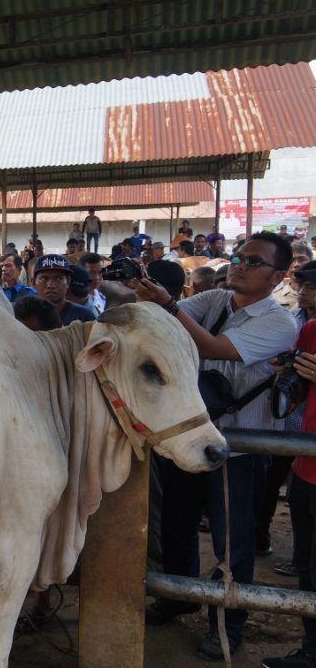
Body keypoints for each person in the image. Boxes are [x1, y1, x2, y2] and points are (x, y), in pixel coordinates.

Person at [136, 232, 298, 661]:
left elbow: (214, 348)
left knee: (233, 543)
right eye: (240, 257)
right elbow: (166, 318)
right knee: (176, 525)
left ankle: (228, 621)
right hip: (189, 437)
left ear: (279, 276)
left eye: (254, 261)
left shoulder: (280, 322)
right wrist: (147, 293)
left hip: (236, 453)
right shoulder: (214, 302)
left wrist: (168, 304)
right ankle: (179, 594)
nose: (240, 265)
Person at [262, 286, 316, 668]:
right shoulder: (311, 329)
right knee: (310, 569)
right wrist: (287, 377)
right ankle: (312, 651)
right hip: (307, 468)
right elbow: (296, 399)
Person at [31, 255, 95, 326]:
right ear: (33, 282)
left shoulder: (84, 316)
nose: (51, 285)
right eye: (43, 278)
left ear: (68, 282)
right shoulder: (23, 316)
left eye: (58, 279)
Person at [273, 244, 314, 310]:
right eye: (291, 261)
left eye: (302, 259)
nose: (296, 265)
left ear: (311, 262)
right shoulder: (273, 297)